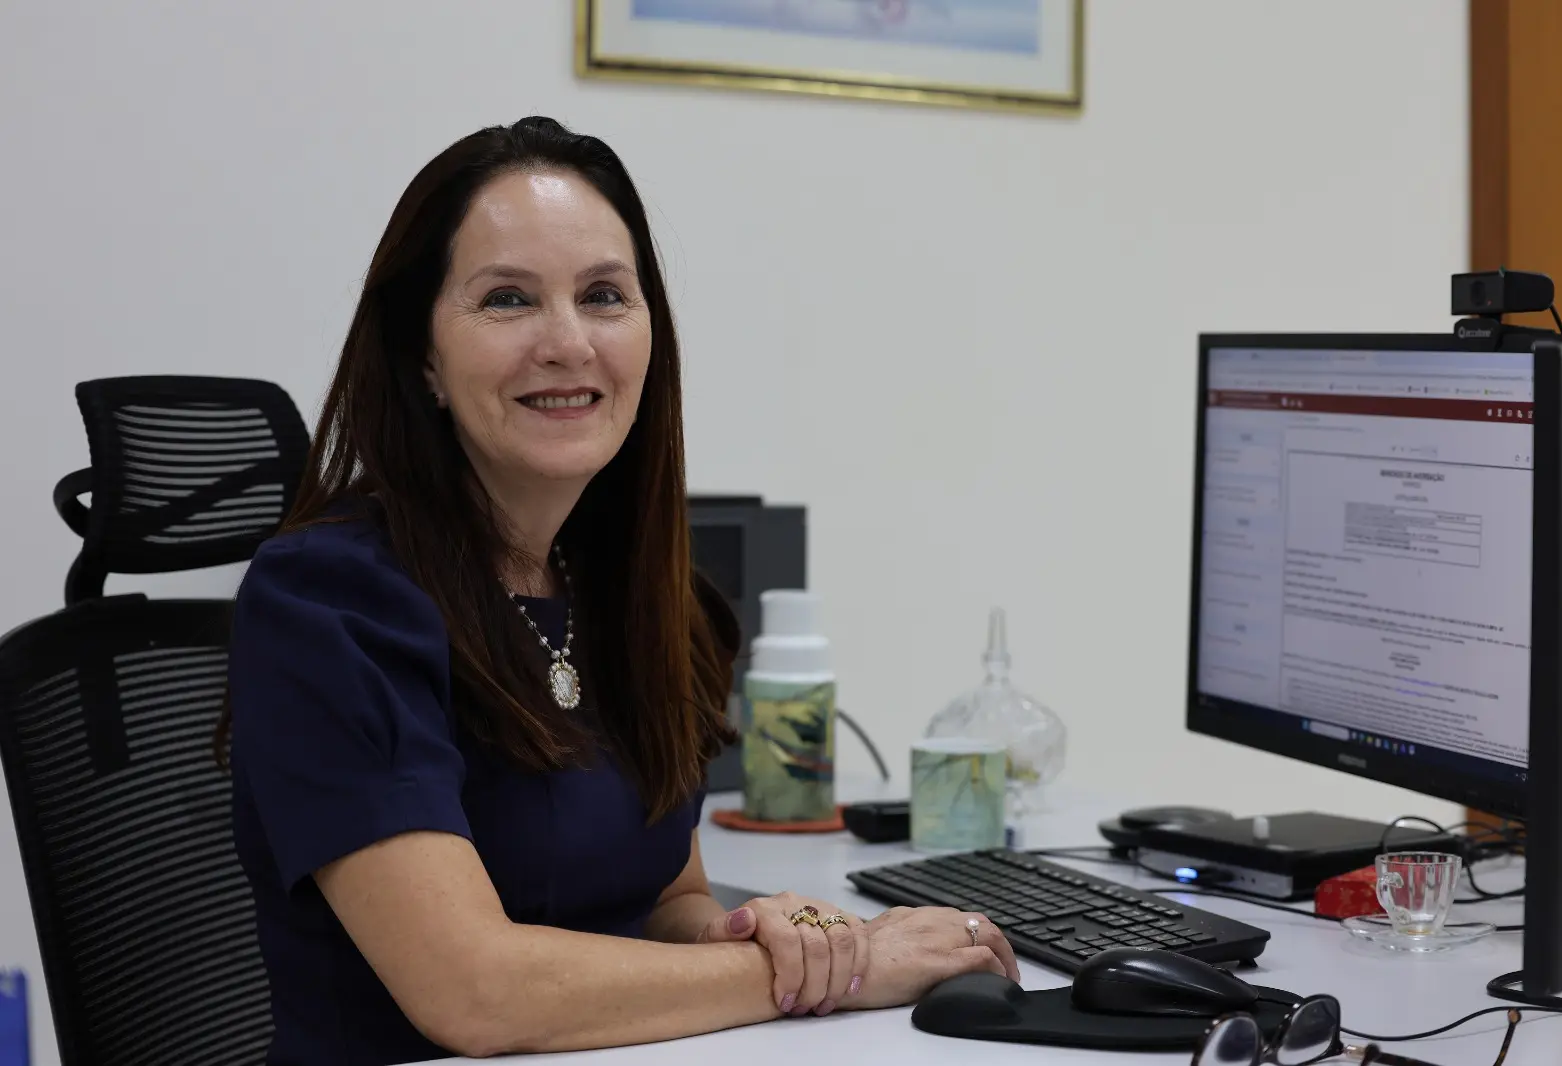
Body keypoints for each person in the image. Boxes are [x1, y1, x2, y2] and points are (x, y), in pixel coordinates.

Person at [222, 116, 1019, 1065]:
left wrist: (776, 935)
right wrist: (850, 971)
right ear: (424, 357)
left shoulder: (624, 590)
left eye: (604, 295)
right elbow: (472, 992)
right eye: (508, 299)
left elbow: (666, 899)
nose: (567, 343)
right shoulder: (330, 601)